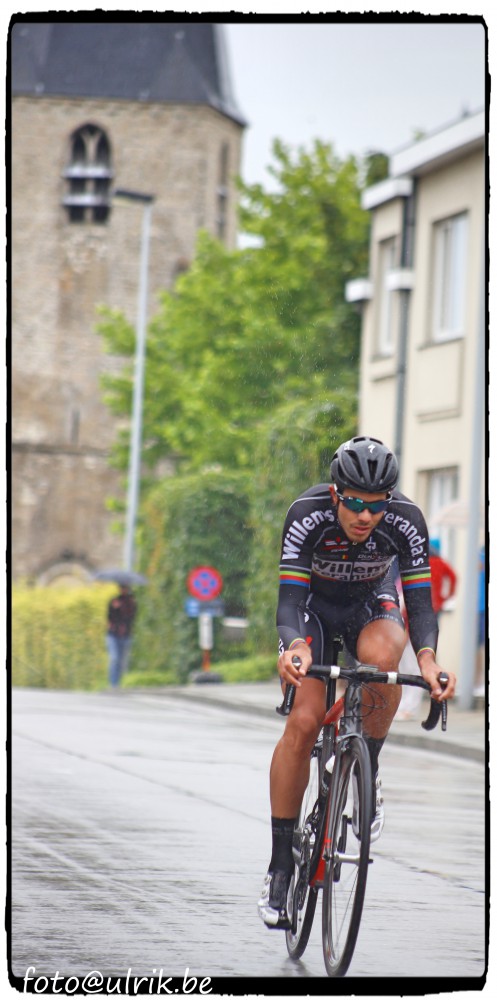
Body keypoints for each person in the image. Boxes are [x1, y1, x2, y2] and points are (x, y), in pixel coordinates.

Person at [258, 435, 457, 929]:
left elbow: (421, 602)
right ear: (334, 495)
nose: (365, 517)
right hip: (314, 613)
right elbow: (288, 601)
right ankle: (281, 866)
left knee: (387, 658)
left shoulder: (406, 521)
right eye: (354, 504)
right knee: (304, 722)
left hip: (372, 607)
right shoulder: (306, 513)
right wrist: (295, 646)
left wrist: (429, 660)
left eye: (376, 506)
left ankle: (364, 759)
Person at [106, 584, 137, 689]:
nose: (124, 590)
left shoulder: (131, 602)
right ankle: (113, 683)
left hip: (126, 635)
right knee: (114, 658)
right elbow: (109, 617)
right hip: (114, 635)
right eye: (122, 588)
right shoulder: (114, 601)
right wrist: (114, 608)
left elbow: (132, 618)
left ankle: (118, 682)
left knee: (122, 660)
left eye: (126, 588)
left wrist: (132, 605)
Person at [429, 539, 457, 620]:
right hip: (436, 603)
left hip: (422, 602)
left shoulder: (423, 563)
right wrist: (450, 594)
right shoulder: (441, 563)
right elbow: (453, 577)